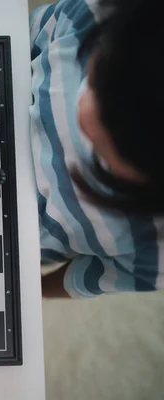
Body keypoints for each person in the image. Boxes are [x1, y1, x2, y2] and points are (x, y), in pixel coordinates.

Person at [30, 0, 164, 298]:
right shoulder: (108, 14)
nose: (85, 112)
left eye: (112, 139)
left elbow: (80, 280)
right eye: (99, 76)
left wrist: (24, 291)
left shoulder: (155, 251)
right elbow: (22, 37)